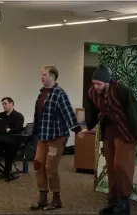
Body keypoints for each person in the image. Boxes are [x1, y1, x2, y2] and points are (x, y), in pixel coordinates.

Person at [79, 64, 137, 215]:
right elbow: (91, 112)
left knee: (121, 165)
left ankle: (123, 202)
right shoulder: (92, 92)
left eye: (99, 84)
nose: (96, 86)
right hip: (109, 130)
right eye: (94, 83)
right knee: (110, 165)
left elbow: (134, 110)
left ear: (107, 82)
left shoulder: (121, 90)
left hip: (126, 131)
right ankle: (113, 200)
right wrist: (87, 127)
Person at [29, 65, 82, 211]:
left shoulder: (59, 93)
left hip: (56, 137)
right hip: (42, 136)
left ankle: (57, 199)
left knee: (50, 168)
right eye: (41, 75)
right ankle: (43, 198)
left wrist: (77, 129)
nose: (42, 77)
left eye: (44, 75)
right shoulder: (42, 93)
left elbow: (68, 112)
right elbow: (39, 116)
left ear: (52, 76)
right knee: (38, 165)